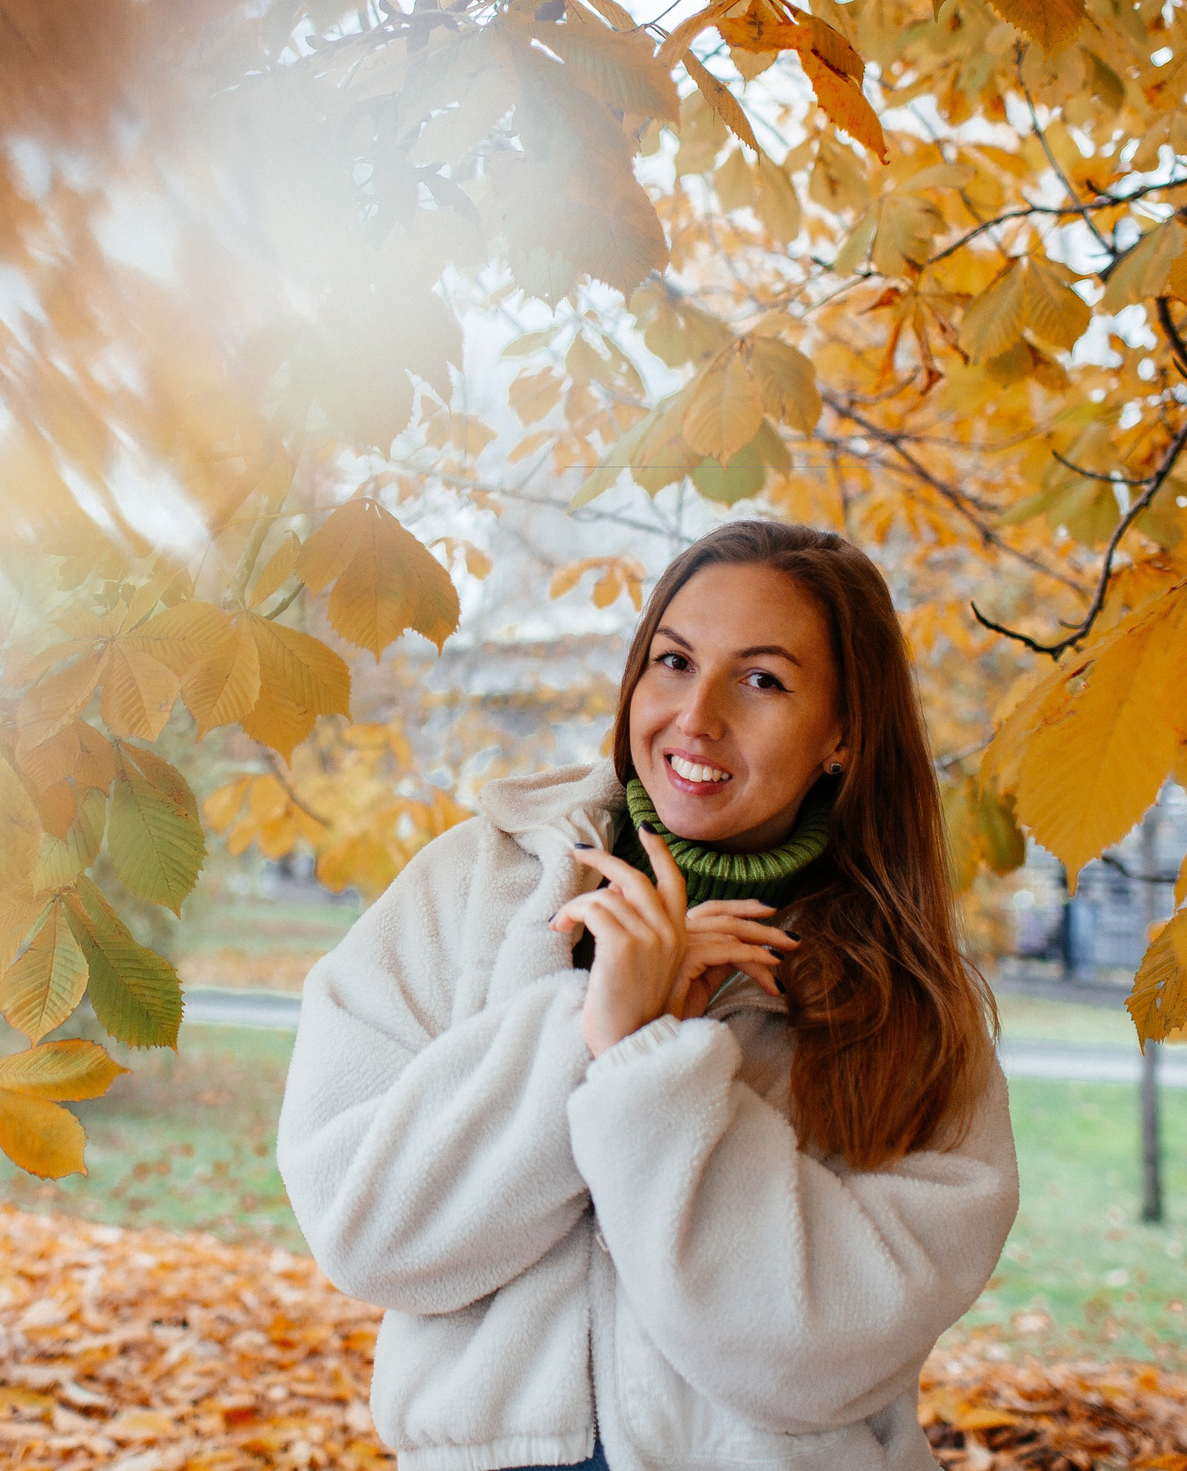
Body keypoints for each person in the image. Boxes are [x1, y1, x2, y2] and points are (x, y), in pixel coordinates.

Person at [277, 520, 1019, 1471]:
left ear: (843, 731)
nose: (695, 716)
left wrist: (646, 1065)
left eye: (762, 679)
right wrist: (587, 1031)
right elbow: (364, 1229)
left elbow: (816, 1356)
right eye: (673, 661)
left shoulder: (910, 998)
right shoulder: (475, 883)